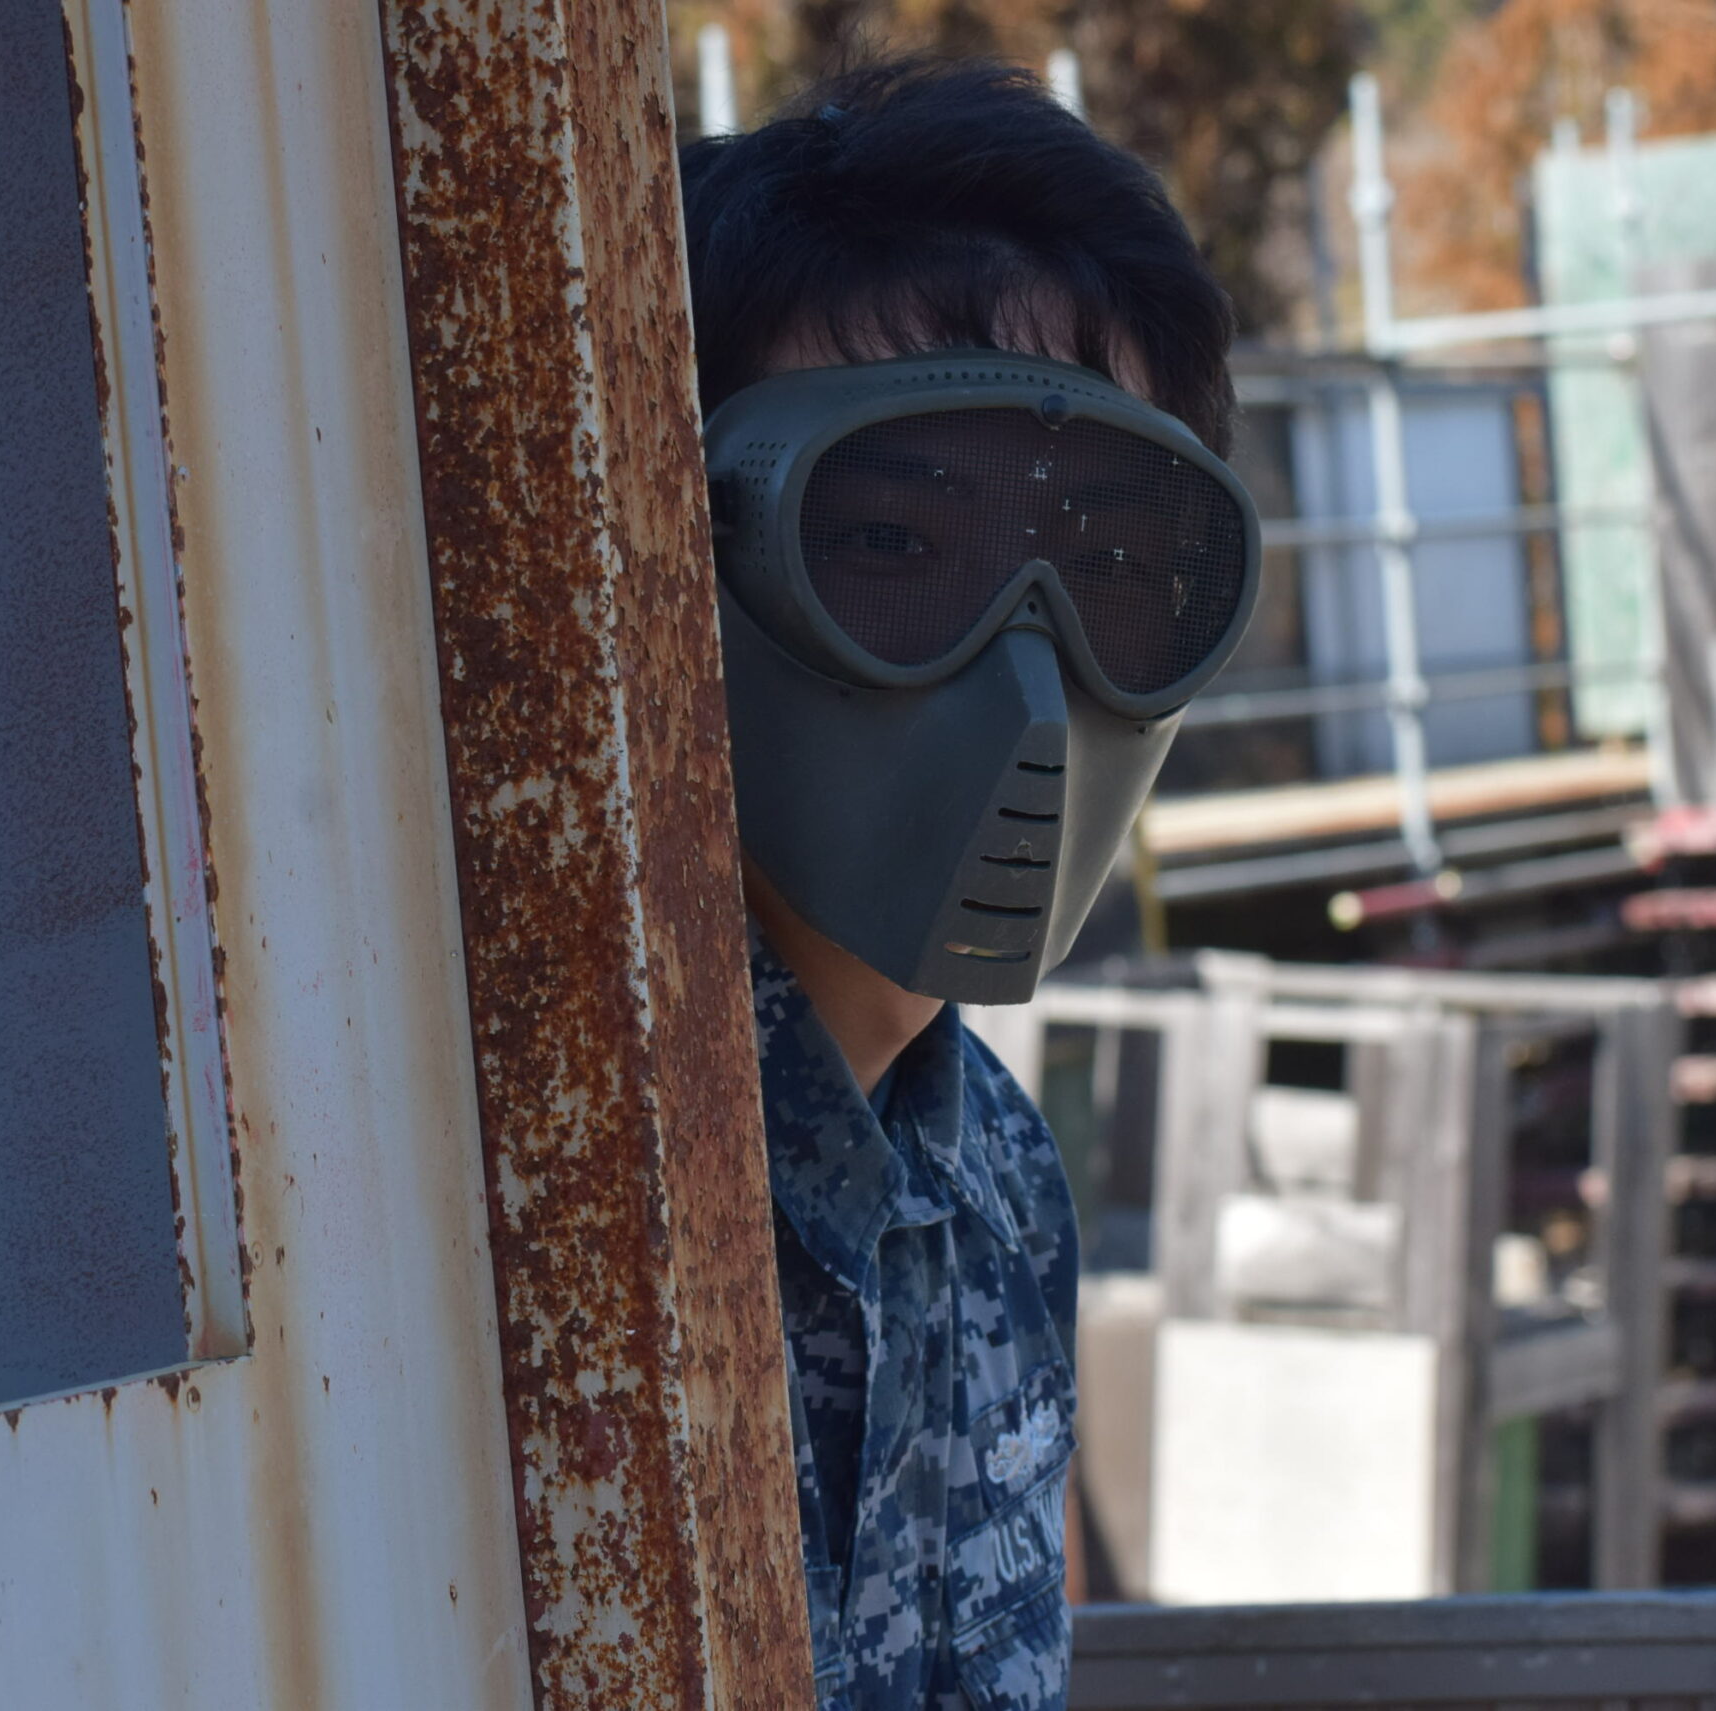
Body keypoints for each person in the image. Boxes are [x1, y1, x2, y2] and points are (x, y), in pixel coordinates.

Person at [679, 57, 1258, 1710]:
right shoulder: (532, 1181)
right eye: (885, 543)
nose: (1025, 673)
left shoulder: (997, 1182)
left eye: (1113, 564)